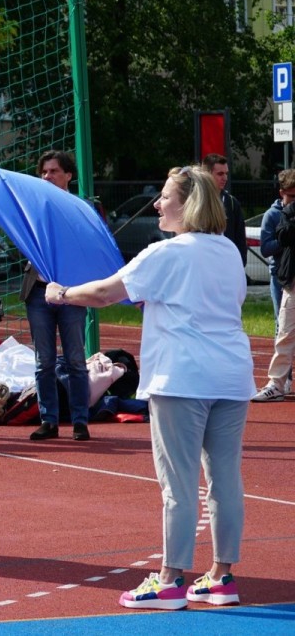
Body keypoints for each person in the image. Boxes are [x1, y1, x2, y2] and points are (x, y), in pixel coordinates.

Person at [45, 165, 252, 610]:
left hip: (182, 378)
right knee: (225, 479)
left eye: (164, 196)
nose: (157, 204)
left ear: (186, 204)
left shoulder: (166, 253)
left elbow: (103, 293)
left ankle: (170, 579)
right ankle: (221, 576)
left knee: (177, 483)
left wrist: (61, 294)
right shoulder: (229, 251)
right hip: (231, 376)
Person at [20, 150, 91, 441]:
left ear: (68, 176)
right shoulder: (31, 208)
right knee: (43, 360)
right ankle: (49, 420)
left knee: (75, 359)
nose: (47, 176)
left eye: (54, 171)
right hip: (38, 292)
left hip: (71, 293)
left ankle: (80, 421)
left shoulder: (80, 208)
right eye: (44, 172)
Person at [250, 169, 295, 403]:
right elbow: (267, 248)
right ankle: (279, 382)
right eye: (291, 196)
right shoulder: (274, 214)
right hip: (286, 277)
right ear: (282, 194)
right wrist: (286, 238)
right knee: (284, 330)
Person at [201, 153, 247, 266]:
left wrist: (240, 265)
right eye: (220, 174)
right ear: (207, 174)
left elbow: (240, 239)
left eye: (226, 173)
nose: (225, 178)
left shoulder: (231, 203)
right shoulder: (195, 201)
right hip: (203, 264)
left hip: (227, 265)